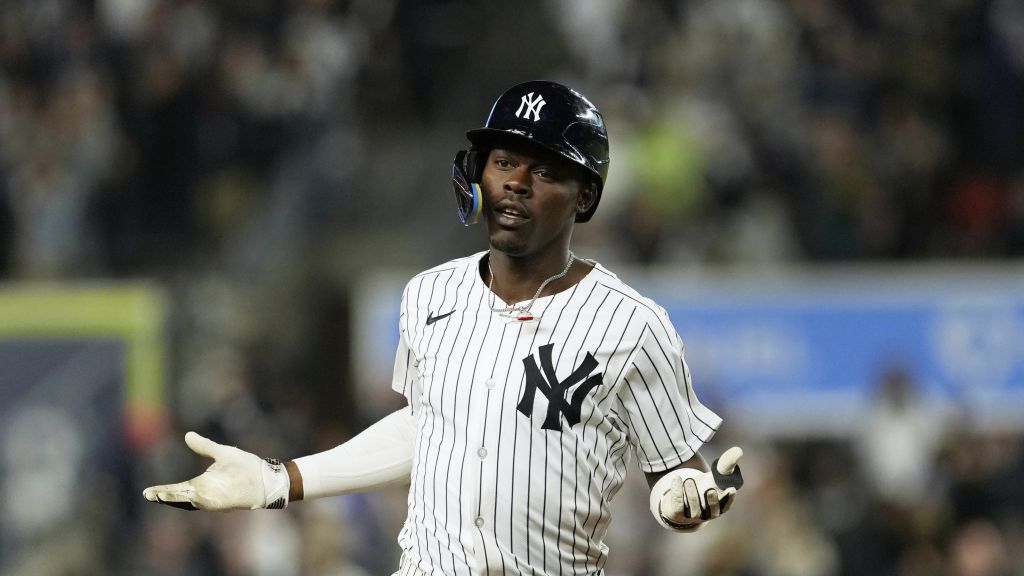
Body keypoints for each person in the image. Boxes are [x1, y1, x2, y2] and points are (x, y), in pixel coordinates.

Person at [144, 80, 745, 575]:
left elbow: (674, 474)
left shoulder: (634, 324)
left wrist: (679, 501)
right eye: (504, 162)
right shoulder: (429, 294)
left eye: (543, 171)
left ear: (584, 196)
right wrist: (281, 480)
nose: (515, 181)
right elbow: (430, 429)